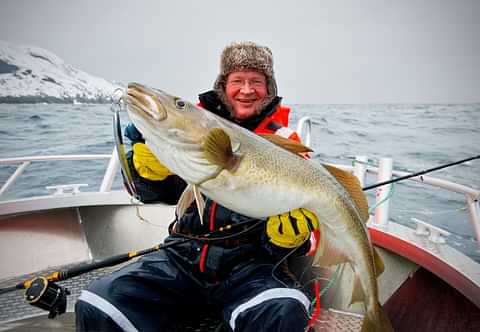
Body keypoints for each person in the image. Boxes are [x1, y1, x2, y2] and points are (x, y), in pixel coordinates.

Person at [75, 41, 319, 332]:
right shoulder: (191, 126)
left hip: (254, 265)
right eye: (237, 80)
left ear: (269, 88)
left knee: (283, 310)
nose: (246, 89)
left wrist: (293, 238)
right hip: (183, 255)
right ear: (222, 85)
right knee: (99, 303)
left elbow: (312, 220)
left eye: (256, 81)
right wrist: (149, 176)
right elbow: (157, 195)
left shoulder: (288, 143)